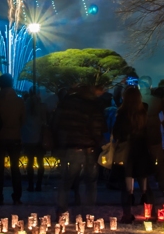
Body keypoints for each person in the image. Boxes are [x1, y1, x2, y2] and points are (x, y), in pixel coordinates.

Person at [53, 83, 106, 217]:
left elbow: (56, 123)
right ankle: (87, 213)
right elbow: (97, 127)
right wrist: (98, 141)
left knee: (66, 180)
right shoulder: (93, 105)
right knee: (90, 181)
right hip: (89, 147)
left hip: (70, 146)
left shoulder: (66, 103)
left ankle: (61, 210)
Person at [114, 86, 153, 222]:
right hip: (142, 148)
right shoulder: (144, 111)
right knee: (144, 180)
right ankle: (150, 211)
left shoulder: (122, 112)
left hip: (127, 149)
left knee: (126, 183)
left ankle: (126, 213)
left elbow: (117, 132)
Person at [0, 74, 25, 205]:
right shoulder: (20, 101)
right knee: (15, 168)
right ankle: (17, 196)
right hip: (15, 136)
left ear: (0, 85)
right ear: (12, 84)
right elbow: (23, 120)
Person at [21, 88, 47, 192]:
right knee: (40, 162)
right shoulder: (42, 107)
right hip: (39, 138)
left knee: (30, 162)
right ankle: (39, 185)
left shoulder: (24, 106)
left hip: (28, 138)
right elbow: (45, 122)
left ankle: (30, 185)